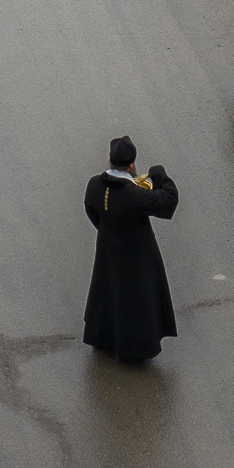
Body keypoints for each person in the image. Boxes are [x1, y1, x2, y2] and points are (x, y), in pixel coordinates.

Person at [82, 137, 179, 362]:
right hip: (137, 257)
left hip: (108, 250)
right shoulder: (134, 195)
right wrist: (158, 173)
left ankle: (103, 338)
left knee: (107, 292)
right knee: (134, 301)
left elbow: (91, 209)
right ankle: (134, 350)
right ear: (132, 165)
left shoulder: (94, 184)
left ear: (111, 160)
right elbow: (169, 199)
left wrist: (106, 230)